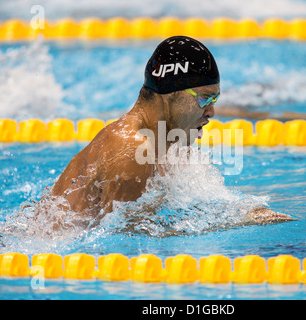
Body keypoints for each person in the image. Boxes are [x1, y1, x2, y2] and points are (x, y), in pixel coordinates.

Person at [50, 36, 293, 225]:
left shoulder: (168, 141)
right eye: (204, 100)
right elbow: (124, 235)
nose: (212, 112)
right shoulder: (132, 147)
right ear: (170, 93)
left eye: (214, 101)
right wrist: (237, 222)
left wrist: (240, 210)